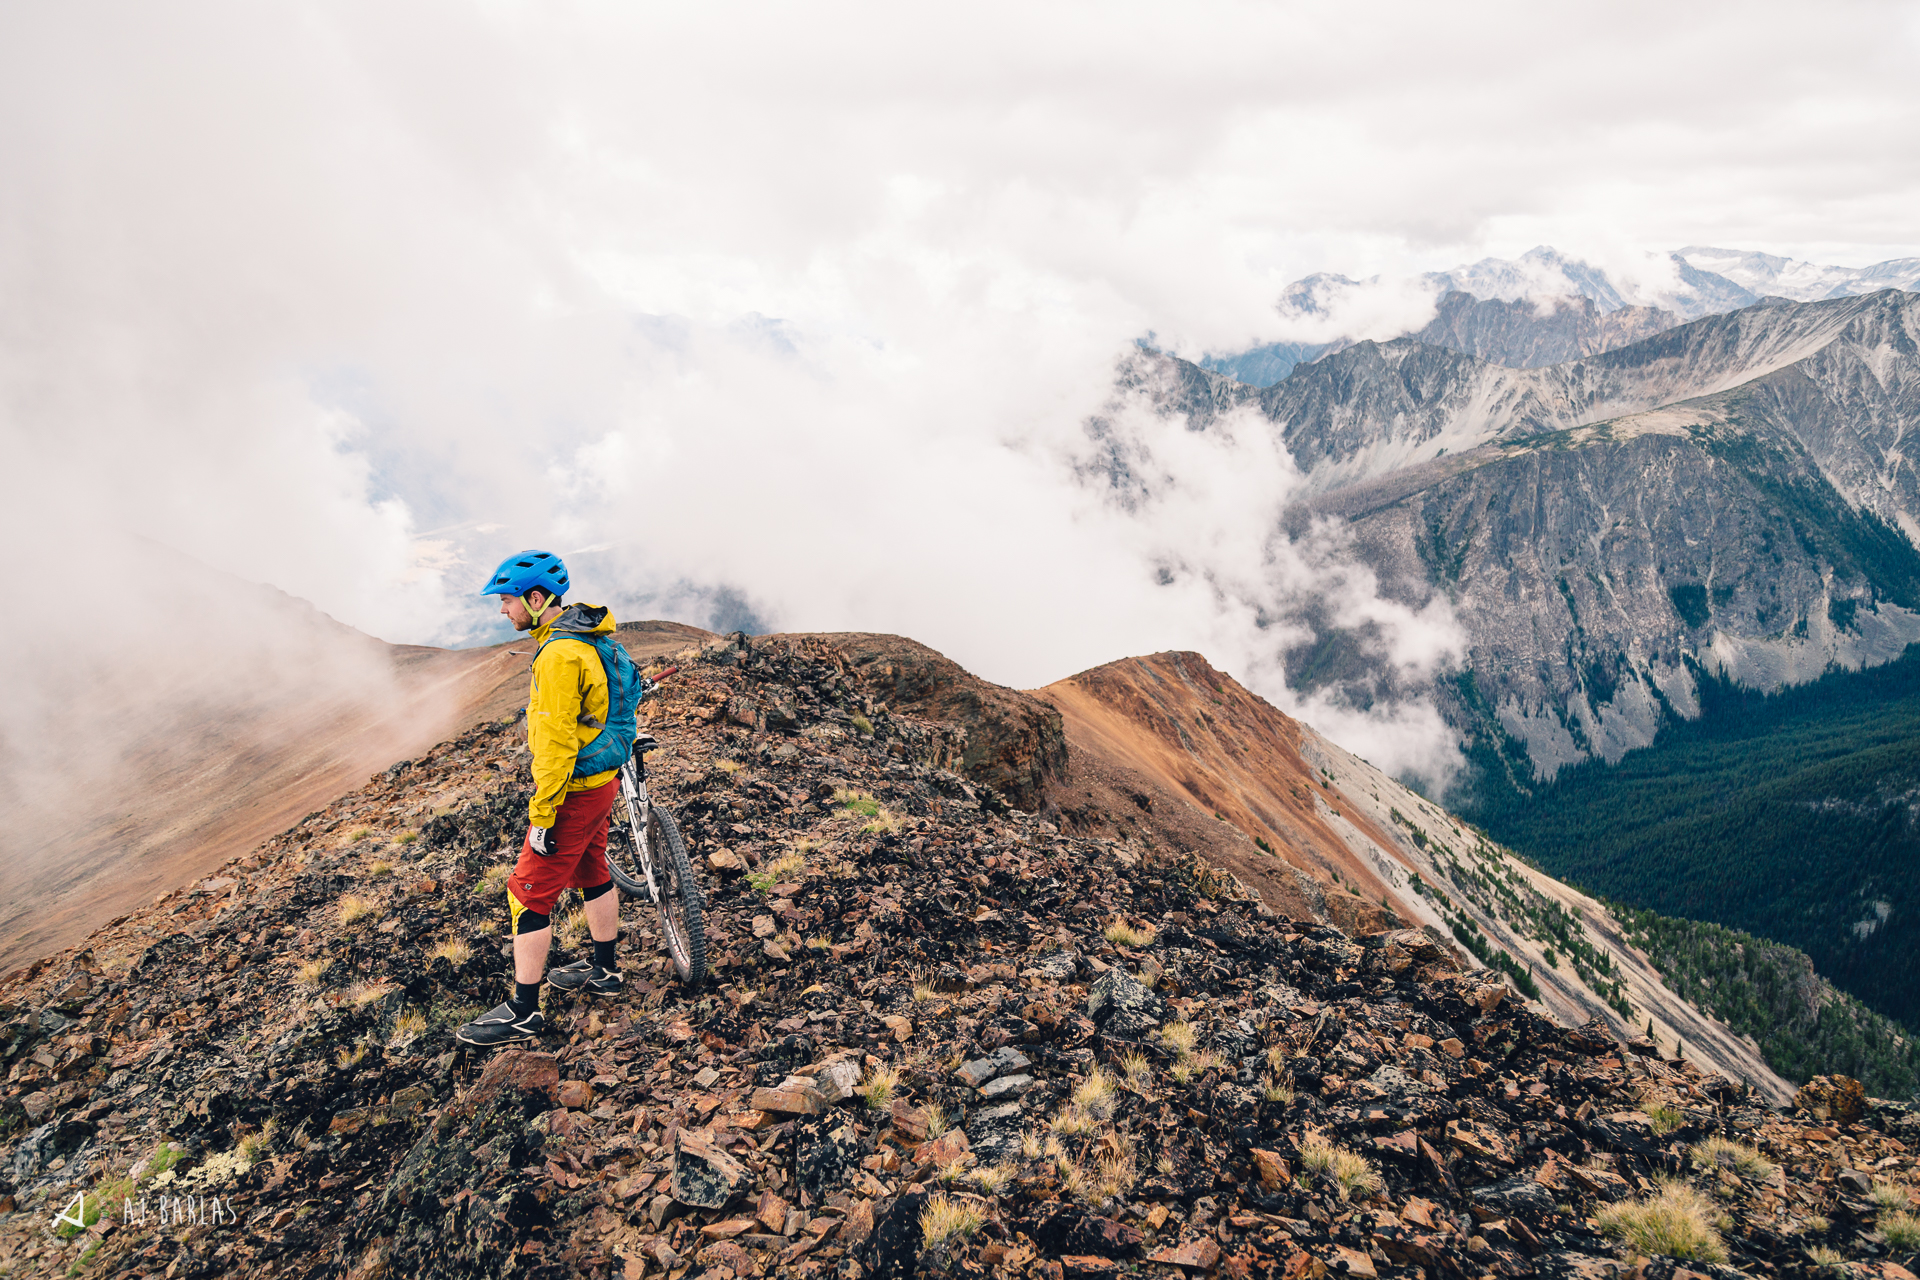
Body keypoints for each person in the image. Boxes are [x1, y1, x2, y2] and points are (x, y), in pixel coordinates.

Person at [457, 550, 630, 1047]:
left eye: (508, 600)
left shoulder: (556, 656)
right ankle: (605, 971)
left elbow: (554, 746)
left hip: (573, 790)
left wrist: (543, 815)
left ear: (536, 600)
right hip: (601, 781)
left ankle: (523, 1011)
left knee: (525, 893)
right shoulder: (583, 637)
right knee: (591, 868)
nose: (503, 610)